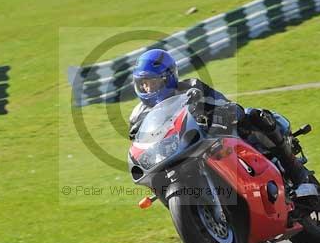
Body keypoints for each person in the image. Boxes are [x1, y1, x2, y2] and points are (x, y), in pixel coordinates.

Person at [128, 49, 310, 191]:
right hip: (178, 154)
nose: (147, 88)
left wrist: (222, 113)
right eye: (143, 84)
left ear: (168, 78)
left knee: (255, 116)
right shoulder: (138, 115)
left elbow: (223, 103)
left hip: (212, 136)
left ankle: (296, 174)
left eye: (152, 82)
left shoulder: (191, 87)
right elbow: (139, 142)